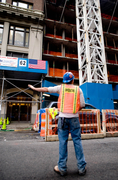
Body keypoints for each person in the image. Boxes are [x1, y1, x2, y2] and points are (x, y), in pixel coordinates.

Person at [28, 72, 86, 176]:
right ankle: (82, 168)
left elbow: (46, 89)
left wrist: (34, 88)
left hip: (62, 118)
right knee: (77, 142)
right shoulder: (78, 89)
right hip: (74, 119)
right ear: (73, 80)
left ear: (64, 81)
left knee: (63, 142)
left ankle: (62, 168)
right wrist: (75, 110)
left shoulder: (61, 88)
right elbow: (82, 104)